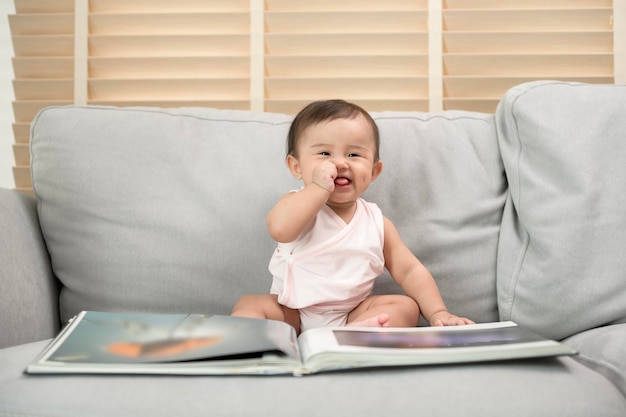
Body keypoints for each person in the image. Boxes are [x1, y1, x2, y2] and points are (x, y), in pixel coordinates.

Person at [231, 99, 474, 334]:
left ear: (374, 170)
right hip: (290, 312)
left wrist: (437, 312)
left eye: (354, 155)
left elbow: (409, 270)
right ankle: (251, 341)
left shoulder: (377, 223)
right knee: (251, 305)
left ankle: (352, 333)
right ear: (297, 167)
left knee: (406, 307)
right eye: (325, 154)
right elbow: (280, 229)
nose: (340, 163)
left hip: (352, 314)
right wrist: (317, 188)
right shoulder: (295, 203)